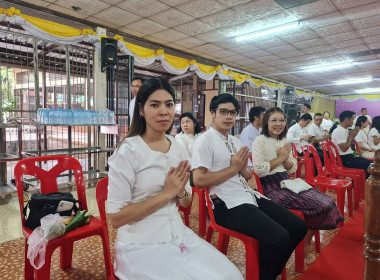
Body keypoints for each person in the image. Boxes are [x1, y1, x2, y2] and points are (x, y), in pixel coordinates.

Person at [107, 79, 243, 280]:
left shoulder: (176, 146)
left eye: (169, 104)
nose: (164, 111)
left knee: (231, 275)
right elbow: (116, 218)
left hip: (178, 235)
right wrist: (167, 193)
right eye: (155, 105)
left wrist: (179, 192)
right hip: (141, 245)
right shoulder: (128, 151)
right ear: (141, 110)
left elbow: (187, 201)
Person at [192, 94, 307, 280]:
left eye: (233, 112)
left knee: (298, 226)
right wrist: (233, 168)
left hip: (248, 195)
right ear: (213, 113)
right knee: (279, 237)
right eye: (224, 112)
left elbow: (245, 175)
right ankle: (265, 275)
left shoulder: (235, 141)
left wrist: (243, 169)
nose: (229, 116)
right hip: (225, 205)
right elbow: (198, 180)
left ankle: (268, 271)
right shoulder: (205, 141)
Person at [251, 107, 343, 264]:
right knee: (317, 206)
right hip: (271, 188)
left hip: (287, 182)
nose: (278, 124)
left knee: (326, 201)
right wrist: (281, 158)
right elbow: (260, 170)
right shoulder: (260, 141)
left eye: (282, 120)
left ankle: (306, 242)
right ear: (266, 122)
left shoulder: (284, 140)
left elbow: (293, 167)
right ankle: (304, 247)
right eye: (274, 120)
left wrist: (286, 159)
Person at [331, 110, 372, 178]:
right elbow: (344, 149)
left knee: (371, 164)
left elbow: (349, 144)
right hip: (344, 159)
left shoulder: (344, 130)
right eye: (352, 119)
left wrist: (352, 135)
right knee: (370, 166)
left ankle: (364, 185)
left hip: (349, 157)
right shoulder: (339, 131)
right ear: (347, 119)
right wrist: (351, 136)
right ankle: (367, 186)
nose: (353, 122)